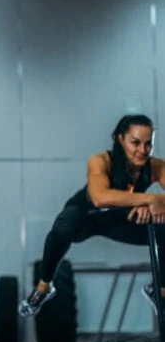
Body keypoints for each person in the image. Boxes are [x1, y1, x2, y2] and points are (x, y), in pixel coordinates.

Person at [19, 113, 165, 318]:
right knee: (63, 228)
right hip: (86, 215)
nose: (142, 150)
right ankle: (44, 287)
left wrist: (152, 205)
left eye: (148, 144)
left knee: (163, 229)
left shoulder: (156, 166)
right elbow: (100, 197)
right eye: (135, 143)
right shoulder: (100, 161)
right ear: (120, 139)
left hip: (119, 219)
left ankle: (159, 290)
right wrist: (148, 199)